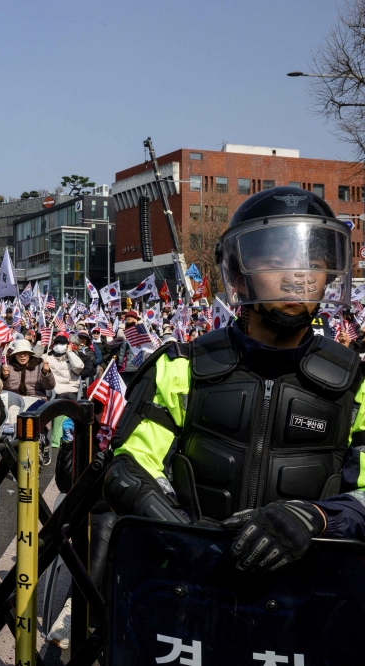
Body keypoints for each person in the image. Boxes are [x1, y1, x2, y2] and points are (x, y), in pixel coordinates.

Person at [103, 186, 365, 574]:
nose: (296, 276)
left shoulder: (356, 385)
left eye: (311, 263)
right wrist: (194, 540)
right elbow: (130, 469)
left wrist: (317, 518)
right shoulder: (182, 367)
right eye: (276, 262)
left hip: (309, 598)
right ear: (239, 277)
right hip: (187, 582)